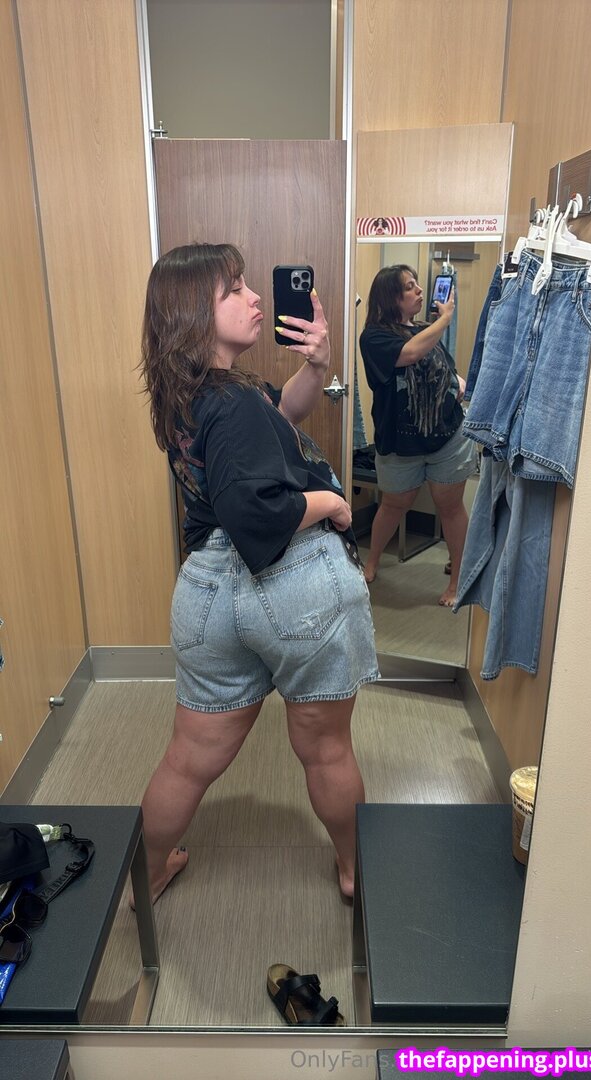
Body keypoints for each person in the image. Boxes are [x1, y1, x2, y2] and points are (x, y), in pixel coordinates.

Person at [137, 242, 379, 904]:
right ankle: (354, 873)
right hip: (292, 585)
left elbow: (282, 416)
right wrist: (332, 504)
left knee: (187, 758)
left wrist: (316, 365)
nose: (255, 298)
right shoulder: (234, 404)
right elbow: (255, 511)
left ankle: (147, 875)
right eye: (235, 290)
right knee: (327, 751)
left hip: (207, 593)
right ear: (193, 313)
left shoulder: (192, 395)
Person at [359, 264, 477, 606]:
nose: (420, 291)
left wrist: (457, 383)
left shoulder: (427, 330)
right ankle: (371, 562)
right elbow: (409, 353)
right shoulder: (374, 337)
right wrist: (446, 319)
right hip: (400, 443)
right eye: (410, 286)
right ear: (391, 297)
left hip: (447, 437)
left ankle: (457, 581)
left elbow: (446, 369)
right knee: (394, 503)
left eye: (416, 285)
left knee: (450, 507)